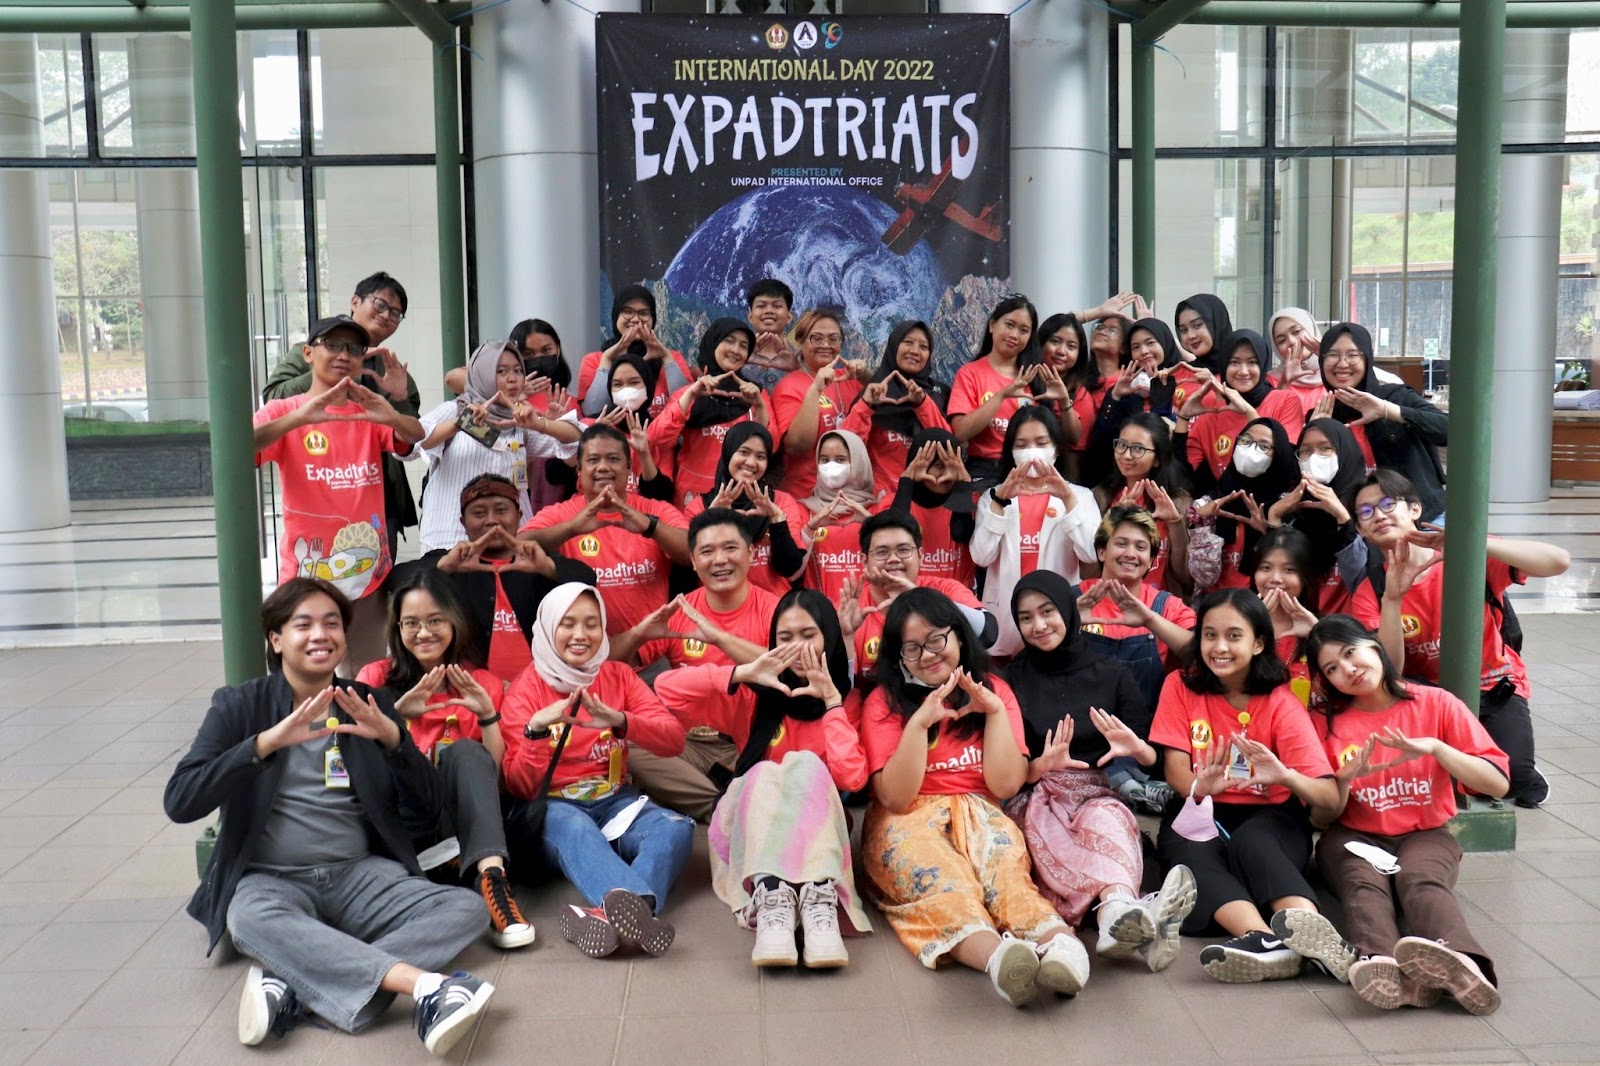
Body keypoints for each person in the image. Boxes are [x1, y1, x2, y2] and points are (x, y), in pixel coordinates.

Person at [163, 578, 494, 1056]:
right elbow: (180, 800)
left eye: (332, 623)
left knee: (466, 909)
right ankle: (426, 987)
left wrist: (394, 742)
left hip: (358, 873)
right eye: (304, 625)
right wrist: (263, 745)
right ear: (277, 639)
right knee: (246, 918)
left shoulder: (369, 703)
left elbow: (430, 810)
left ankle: (292, 986)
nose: (320, 635)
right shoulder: (240, 706)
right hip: (272, 880)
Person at [860, 589, 1092, 1006]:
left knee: (1006, 876)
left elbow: (1005, 786)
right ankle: (999, 959)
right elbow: (894, 797)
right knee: (944, 883)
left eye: (936, 640)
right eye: (912, 648)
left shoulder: (994, 689)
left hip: (981, 810)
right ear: (899, 657)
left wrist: (995, 713)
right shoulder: (883, 701)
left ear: (958, 635)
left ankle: (1064, 950)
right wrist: (918, 725)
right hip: (906, 818)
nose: (928, 655)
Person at [655, 589, 873, 968]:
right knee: (767, 770)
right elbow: (666, 690)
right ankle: (773, 903)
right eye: (785, 638)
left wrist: (831, 704)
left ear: (829, 638)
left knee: (805, 766)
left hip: (817, 835)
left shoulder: (847, 702)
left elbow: (852, 779)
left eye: (809, 635)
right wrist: (740, 672)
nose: (797, 648)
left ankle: (817, 906)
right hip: (753, 830)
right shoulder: (756, 696)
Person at [1304, 615, 1509, 1015]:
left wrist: (1437, 749)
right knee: (1362, 884)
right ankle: (1381, 965)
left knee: (1422, 879)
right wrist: (1343, 781)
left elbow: (1498, 784)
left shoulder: (1436, 703)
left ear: (1374, 645)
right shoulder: (1322, 722)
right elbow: (1319, 818)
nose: (1348, 669)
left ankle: (1464, 963)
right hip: (1352, 835)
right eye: (1331, 668)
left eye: (1350, 652)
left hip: (1425, 831)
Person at [1146, 589, 1350, 984]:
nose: (1219, 647)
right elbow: (1176, 772)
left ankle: (1316, 935)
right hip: (1200, 806)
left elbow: (1326, 796)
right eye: (1209, 635)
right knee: (1189, 855)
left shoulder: (1280, 701)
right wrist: (1201, 786)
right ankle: (1264, 940)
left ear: (1258, 643)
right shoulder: (1179, 686)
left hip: (1272, 815)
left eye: (1234, 636)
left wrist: (1285, 776)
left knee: (1253, 842)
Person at [1004, 571, 1197, 972]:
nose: (1038, 625)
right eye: (1026, 618)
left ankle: (1116, 912)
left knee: (1107, 822)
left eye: (1047, 611)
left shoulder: (1111, 674)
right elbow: (1009, 769)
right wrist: (1041, 765)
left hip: (1099, 790)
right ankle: (1126, 913)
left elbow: (1154, 758)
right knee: (1052, 836)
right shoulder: (1015, 678)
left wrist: (1138, 750)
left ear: (1067, 612)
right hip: (1040, 794)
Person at [1345, 470, 1569, 807]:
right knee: (1454, 779)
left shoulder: (1467, 558)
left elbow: (1558, 562)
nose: (1378, 515)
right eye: (1366, 511)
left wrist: (1471, 542)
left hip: (1493, 685)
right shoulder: (1370, 590)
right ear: (1361, 529)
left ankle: (1505, 765)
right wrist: (1392, 600)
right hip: (1430, 696)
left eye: (1388, 503)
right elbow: (1390, 669)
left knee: (1512, 780)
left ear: (1415, 509)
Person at [498, 583, 694, 958]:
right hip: (555, 811)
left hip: (613, 802)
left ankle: (608, 916)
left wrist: (622, 721)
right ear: (548, 628)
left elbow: (673, 741)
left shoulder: (618, 676)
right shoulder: (526, 690)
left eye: (592, 624)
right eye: (568, 623)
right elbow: (520, 787)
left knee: (675, 828)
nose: (580, 634)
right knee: (575, 826)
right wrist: (536, 731)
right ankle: (638, 908)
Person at [355, 570, 534, 950]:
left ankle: (494, 885)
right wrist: (396, 715)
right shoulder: (375, 678)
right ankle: (445, 868)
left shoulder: (481, 683)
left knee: (467, 752)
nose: (424, 633)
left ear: (454, 621)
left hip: (459, 821)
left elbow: (496, 780)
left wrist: (488, 716)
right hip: (403, 819)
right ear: (397, 628)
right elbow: (359, 764)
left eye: (435, 620)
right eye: (411, 623)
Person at [253, 315, 424, 672]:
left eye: (354, 349)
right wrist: (299, 419)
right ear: (308, 353)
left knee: (367, 677)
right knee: (306, 677)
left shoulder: (367, 412)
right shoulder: (283, 411)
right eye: (332, 345)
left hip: (367, 578)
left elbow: (414, 436)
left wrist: (393, 409)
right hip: (307, 577)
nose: (344, 355)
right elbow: (241, 447)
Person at [611, 509, 779, 821]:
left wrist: (721, 639)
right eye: (707, 551)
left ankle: (725, 798)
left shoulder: (776, 610)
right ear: (692, 560)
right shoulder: (681, 610)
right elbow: (605, 666)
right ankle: (720, 806)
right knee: (627, 741)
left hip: (755, 743)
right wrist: (638, 634)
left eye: (730, 548)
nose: (720, 560)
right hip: (689, 746)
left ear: (751, 552)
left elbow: (787, 669)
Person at [263, 272, 421, 558]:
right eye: (380, 305)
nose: (386, 316)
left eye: (395, 314)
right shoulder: (314, 348)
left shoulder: (394, 371)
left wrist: (398, 397)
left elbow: (412, 437)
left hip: (377, 494)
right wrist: (330, 371)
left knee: (373, 572)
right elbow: (274, 394)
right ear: (355, 302)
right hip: (317, 486)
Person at [407, 474, 596, 683]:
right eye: (479, 513)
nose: (492, 520)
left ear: (519, 516)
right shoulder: (450, 561)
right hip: (469, 688)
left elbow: (588, 578)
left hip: (536, 688)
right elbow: (398, 578)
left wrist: (547, 568)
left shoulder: (538, 560)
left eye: (501, 510)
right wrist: (444, 567)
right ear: (463, 522)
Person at [519, 424, 690, 637]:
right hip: (582, 650)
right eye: (593, 460)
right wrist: (571, 528)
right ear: (578, 469)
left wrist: (650, 527)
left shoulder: (655, 510)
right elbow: (518, 546)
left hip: (653, 652)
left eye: (613, 459)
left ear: (629, 467)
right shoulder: (561, 514)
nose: (603, 467)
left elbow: (692, 552)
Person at [412, 340, 581, 553]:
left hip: (509, 543)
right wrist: (461, 422)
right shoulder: (455, 410)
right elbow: (411, 442)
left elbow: (577, 441)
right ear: (481, 375)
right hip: (450, 540)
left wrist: (543, 424)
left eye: (518, 371)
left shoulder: (521, 421)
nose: (512, 378)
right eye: (501, 371)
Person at [971, 406, 1101, 656]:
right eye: (1022, 445)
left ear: (1056, 448)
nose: (1032, 452)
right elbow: (981, 556)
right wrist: (999, 503)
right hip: (1005, 619)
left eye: (1041, 443)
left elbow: (1091, 553)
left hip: (1056, 620)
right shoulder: (992, 497)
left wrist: (1067, 499)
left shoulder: (1081, 496)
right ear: (1010, 451)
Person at [840, 509, 996, 683]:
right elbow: (845, 689)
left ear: (920, 555)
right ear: (864, 561)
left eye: (903, 550)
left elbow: (988, 634)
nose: (893, 559)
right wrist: (846, 637)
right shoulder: (850, 610)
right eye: (882, 552)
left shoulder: (945, 589)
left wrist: (918, 597)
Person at [1315, 322, 1449, 519]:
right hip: (1361, 525)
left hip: (1421, 519)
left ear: (1367, 359)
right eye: (1333, 355)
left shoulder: (1395, 397)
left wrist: (1387, 410)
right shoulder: (1323, 414)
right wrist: (1316, 439)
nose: (1342, 364)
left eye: (1352, 355)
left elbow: (1449, 430)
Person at [648, 318, 767, 508]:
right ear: (713, 343)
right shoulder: (689, 393)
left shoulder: (755, 394)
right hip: (692, 496)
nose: (736, 350)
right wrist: (691, 395)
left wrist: (759, 407)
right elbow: (657, 438)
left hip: (740, 496)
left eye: (743, 346)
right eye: (729, 341)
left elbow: (769, 447)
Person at [681, 423, 808, 594]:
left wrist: (777, 520)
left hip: (773, 603)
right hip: (719, 603)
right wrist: (712, 518)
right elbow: (690, 567)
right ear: (728, 453)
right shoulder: (699, 507)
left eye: (760, 456)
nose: (751, 463)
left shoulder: (780, 502)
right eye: (744, 452)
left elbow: (789, 568)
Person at [1182, 329, 1307, 489]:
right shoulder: (1213, 410)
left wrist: (1249, 413)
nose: (1243, 371)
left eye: (1252, 362)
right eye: (1234, 362)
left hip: (1273, 500)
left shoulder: (1284, 401)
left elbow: (1287, 466)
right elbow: (1184, 472)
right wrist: (1183, 418)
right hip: (1226, 500)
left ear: (1262, 364)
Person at [1267, 417, 1368, 615]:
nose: (1314, 457)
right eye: (1305, 450)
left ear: (1345, 452)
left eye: (1325, 448)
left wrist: (1342, 517)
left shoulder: (1367, 509)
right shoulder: (1295, 508)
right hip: (1299, 621)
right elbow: (1279, 577)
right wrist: (1274, 518)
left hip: (1351, 625)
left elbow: (1362, 580)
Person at [841, 319, 952, 496]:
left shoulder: (939, 394)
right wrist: (867, 405)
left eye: (923, 347)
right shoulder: (872, 393)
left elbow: (949, 449)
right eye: (908, 342)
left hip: (928, 498)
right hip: (881, 499)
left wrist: (922, 404)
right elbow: (845, 448)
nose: (915, 351)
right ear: (894, 347)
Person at [1187, 416, 1299, 591]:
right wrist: (1203, 525)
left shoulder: (1287, 505)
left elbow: (1292, 573)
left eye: (1264, 446)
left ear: (1279, 455)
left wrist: (1270, 529)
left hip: (1263, 602)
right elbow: (1204, 578)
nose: (1251, 450)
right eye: (1245, 441)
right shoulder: (1208, 504)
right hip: (1216, 602)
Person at [771, 308, 870, 499]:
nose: (826, 345)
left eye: (833, 339)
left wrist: (866, 375)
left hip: (852, 494)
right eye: (816, 338)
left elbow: (884, 400)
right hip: (807, 494)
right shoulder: (789, 385)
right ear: (801, 342)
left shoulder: (850, 379)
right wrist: (815, 390)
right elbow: (797, 446)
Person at [947, 294, 1045, 481]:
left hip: (1027, 469)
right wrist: (1002, 396)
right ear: (992, 325)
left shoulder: (1034, 378)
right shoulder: (970, 373)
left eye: (1024, 330)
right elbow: (961, 432)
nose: (1014, 335)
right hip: (983, 471)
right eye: (1009, 325)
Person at [1094, 413, 1191, 594]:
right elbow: (1090, 569)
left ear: (1157, 459)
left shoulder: (1178, 501)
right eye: (1122, 445)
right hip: (1110, 599)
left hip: (1159, 604)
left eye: (1138, 448)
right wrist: (1113, 519)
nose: (1126, 455)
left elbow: (1184, 576)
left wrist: (1175, 523)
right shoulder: (1101, 497)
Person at [576, 285, 694, 421]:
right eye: (627, 311)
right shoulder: (595, 360)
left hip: (662, 434)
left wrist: (666, 358)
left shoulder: (672, 358)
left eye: (644, 313)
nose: (636, 319)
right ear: (616, 316)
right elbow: (592, 412)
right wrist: (607, 360)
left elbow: (687, 408)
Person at [886, 427, 978, 589]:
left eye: (952, 465)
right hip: (910, 596)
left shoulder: (970, 501)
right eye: (938, 465)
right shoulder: (893, 503)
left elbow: (960, 532)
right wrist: (907, 481)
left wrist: (963, 487)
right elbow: (894, 535)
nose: (947, 474)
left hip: (956, 598)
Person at [578, 351, 675, 501]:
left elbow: (662, 496)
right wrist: (591, 436)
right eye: (618, 384)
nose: (626, 390)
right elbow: (556, 474)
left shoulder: (659, 432)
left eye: (634, 382)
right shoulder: (591, 425)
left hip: (641, 513)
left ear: (648, 386)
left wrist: (644, 454)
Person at [1247, 525, 1325, 709]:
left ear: (1305, 577)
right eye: (1265, 567)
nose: (1275, 578)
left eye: (1289, 570)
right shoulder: (1237, 626)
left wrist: (1318, 634)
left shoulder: (1322, 628)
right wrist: (1250, 629)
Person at [798, 429, 880, 602]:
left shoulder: (878, 509)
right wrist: (810, 529)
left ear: (858, 462)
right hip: (819, 613)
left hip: (868, 610)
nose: (831, 466)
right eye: (824, 460)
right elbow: (793, 571)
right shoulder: (804, 510)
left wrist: (872, 524)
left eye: (840, 459)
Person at [1035, 313, 1100, 482]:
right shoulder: (1023, 380)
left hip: (1060, 479)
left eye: (1071, 346)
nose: (1061, 351)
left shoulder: (1081, 396)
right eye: (1055, 341)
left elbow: (1074, 444)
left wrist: (1064, 401)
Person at [743, 277, 800, 390]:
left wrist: (798, 368)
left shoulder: (802, 358)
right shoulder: (737, 355)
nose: (769, 311)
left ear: (789, 317)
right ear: (750, 316)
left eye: (777, 306)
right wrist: (742, 360)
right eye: (761, 306)